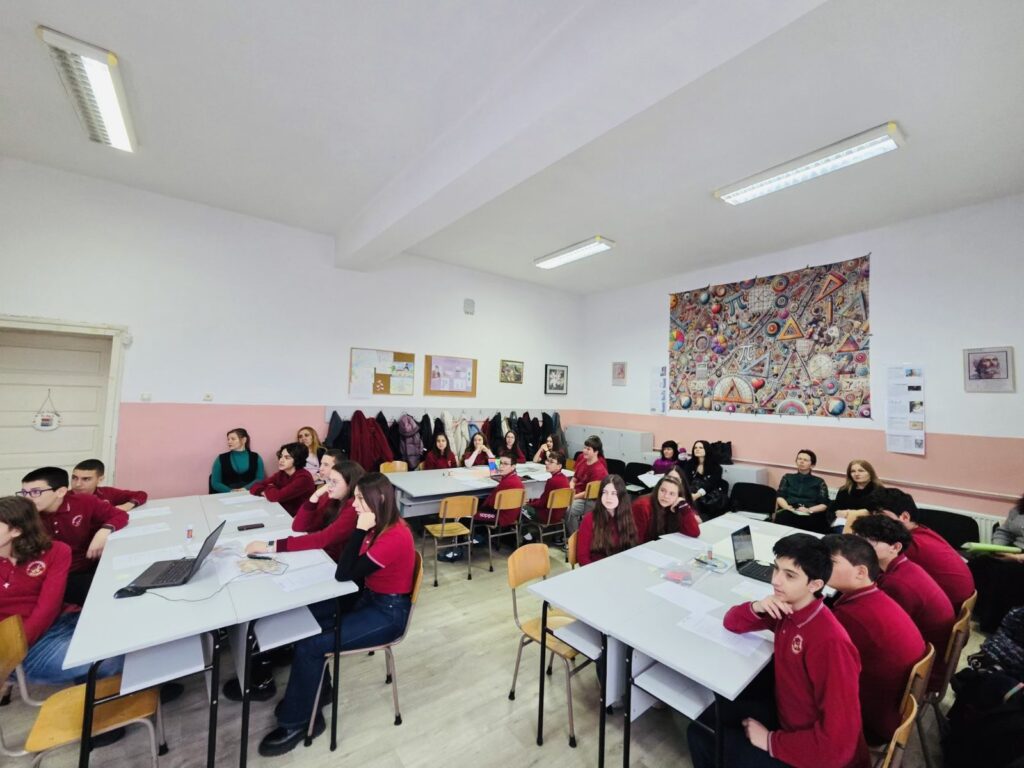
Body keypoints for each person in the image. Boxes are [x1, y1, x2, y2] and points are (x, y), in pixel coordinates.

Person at [258, 473, 415, 757]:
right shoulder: (377, 526)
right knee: (307, 624)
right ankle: (320, 692)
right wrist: (361, 530)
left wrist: (358, 530)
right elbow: (348, 568)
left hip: (388, 613)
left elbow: (344, 573)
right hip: (370, 598)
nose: (354, 504)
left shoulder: (393, 535)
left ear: (379, 500)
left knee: (311, 644)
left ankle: (298, 723)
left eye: (360, 499)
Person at [687, 533, 870, 768]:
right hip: (787, 714)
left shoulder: (830, 643)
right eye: (776, 569)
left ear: (815, 585)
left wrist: (770, 741)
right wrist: (757, 606)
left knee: (703, 737)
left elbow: (839, 746)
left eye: (789, 575)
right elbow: (732, 622)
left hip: (813, 749)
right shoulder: (789, 608)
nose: (776, 581)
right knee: (703, 724)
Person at [0, 495, 122, 685]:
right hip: (23, 647)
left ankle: (95, 687)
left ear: (16, 531)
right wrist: (13, 651)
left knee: (129, 633)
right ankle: (100, 690)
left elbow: (48, 607)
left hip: (62, 621)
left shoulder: (56, 551)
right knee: (108, 660)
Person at [823, 534, 926, 745]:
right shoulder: (875, 596)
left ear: (861, 572)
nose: (819, 567)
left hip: (870, 721)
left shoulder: (851, 616)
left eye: (829, 563)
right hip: (893, 709)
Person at [851, 514, 954, 688]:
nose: (860, 547)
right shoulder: (906, 567)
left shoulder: (895, 584)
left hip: (918, 675)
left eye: (871, 541)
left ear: (895, 547)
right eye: (858, 539)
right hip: (927, 658)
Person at [19, 466, 127, 606]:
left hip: (90, 564)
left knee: (122, 580)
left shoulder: (84, 502)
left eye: (35, 492)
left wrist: (104, 531)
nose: (27, 499)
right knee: (107, 592)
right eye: (24, 493)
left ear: (61, 492)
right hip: (56, 576)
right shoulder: (23, 515)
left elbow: (120, 515)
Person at [869, 488, 975, 612]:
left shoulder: (906, 544)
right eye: (872, 516)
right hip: (960, 603)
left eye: (881, 516)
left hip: (948, 610)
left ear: (905, 517)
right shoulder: (922, 531)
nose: (874, 522)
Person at [247, 460, 365, 563]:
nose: (329, 486)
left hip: (336, 562)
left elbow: (323, 539)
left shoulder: (354, 507)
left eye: (335, 481)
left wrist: (270, 546)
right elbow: (298, 526)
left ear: (351, 484)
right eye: (329, 480)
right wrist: (315, 495)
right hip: (324, 554)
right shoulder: (333, 499)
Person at [969, 492, 1024, 632]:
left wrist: (1018, 557)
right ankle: (974, 611)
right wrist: (998, 548)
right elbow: (1004, 532)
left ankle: (993, 623)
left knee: (1004, 573)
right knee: (979, 563)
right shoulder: (1018, 510)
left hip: (1020, 558)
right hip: (1012, 549)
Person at [576, 475, 641, 566]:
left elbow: (632, 547)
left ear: (621, 496)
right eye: (605, 492)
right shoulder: (589, 519)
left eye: (613, 493)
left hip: (621, 566)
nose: (608, 497)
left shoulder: (626, 516)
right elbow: (582, 557)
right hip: (596, 568)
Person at [249, 442, 316, 516]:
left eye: (287, 458)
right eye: (281, 456)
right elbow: (254, 487)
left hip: (297, 517)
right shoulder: (282, 473)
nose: (281, 460)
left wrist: (270, 487)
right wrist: (266, 491)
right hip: (281, 512)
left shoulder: (303, 478)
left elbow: (276, 497)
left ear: (297, 459)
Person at [774, 449, 831, 533]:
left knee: (814, 522)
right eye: (799, 459)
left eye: (805, 460)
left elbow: (824, 504)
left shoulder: (819, 481)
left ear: (812, 465)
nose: (801, 461)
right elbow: (780, 496)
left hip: (810, 513)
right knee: (783, 516)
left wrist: (809, 510)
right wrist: (786, 507)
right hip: (790, 510)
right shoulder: (787, 477)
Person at [520, 450, 571, 542]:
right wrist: (532, 501)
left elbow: (542, 503)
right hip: (559, 515)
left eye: (551, 462)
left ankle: (528, 538)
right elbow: (545, 500)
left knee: (519, 509)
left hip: (547, 516)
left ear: (559, 466)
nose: (547, 463)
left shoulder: (552, 481)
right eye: (547, 460)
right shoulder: (564, 479)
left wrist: (529, 503)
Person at [473, 455, 525, 543]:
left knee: (470, 514)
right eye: (500, 463)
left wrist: (479, 508)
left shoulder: (506, 482)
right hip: (513, 516)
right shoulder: (515, 479)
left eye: (505, 464)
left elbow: (491, 504)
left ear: (513, 466)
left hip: (501, 518)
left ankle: (474, 541)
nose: (501, 466)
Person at [633, 474, 700, 540]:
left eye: (672, 493)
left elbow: (694, 533)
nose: (666, 496)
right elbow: (636, 540)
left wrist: (684, 506)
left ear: (678, 496)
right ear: (657, 490)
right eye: (662, 490)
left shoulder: (677, 505)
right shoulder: (642, 506)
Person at [565, 435, 609, 536]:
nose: (584, 451)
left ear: (596, 452)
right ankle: (575, 535)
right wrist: (571, 488)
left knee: (569, 510)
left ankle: (578, 537)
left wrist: (573, 497)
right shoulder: (583, 461)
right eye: (584, 448)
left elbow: (589, 493)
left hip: (589, 499)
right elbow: (574, 479)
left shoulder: (599, 470)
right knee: (563, 507)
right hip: (577, 494)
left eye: (588, 449)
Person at [70, 458, 148, 511]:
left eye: (86, 479)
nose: (78, 484)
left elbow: (141, 494)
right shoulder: (65, 498)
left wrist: (126, 506)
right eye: (74, 478)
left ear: (100, 479)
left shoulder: (108, 493)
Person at [829, 460, 884, 526]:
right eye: (853, 471)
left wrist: (849, 514)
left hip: (866, 526)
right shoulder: (844, 490)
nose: (856, 474)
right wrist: (837, 514)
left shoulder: (879, 491)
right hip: (842, 523)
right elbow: (834, 509)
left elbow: (876, 513)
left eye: (861, 471)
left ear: (870, 473)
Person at [210, 427, 266, 493]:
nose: (229, 442)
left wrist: (245, 489)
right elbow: (215, 483)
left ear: (244, 440)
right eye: (228, 439)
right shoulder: (221, 458)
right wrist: (230, 491)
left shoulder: (256, 457)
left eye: (233, 439)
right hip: (228, 495)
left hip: (250, 493)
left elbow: (260, 478)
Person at [681, 440, 725, 519]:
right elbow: (686, 480)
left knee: (693, 502)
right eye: (695, 448)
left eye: (701, 448)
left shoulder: (716, 467)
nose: (697, 449)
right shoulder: (689, 464)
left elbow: (711, 485)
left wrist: (697, 495)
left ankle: (698, 519)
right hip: (692, 492)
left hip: (708, 496)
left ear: (707, 450)